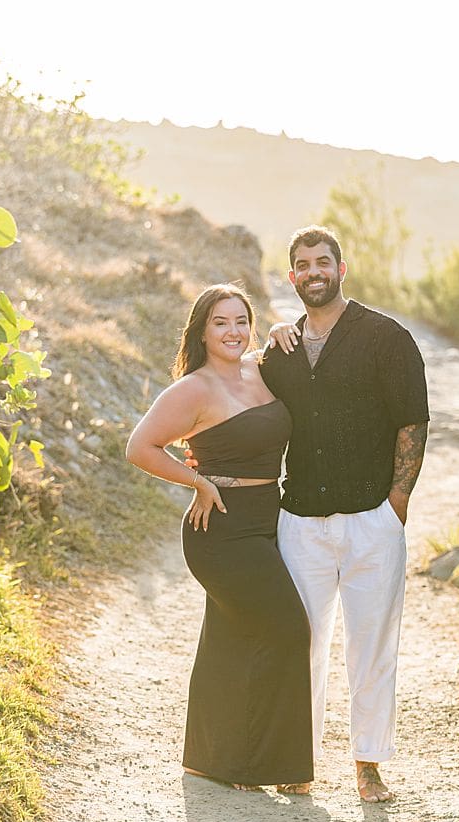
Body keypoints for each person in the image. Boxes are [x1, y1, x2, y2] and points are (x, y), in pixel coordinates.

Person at [261, 225, 429, 802]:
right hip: (300, 521)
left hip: (371, 520)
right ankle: (298, 760)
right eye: (303, 264)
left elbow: (412, 421)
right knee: (300, 644)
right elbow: (244, 396)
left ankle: (368, 766)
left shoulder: (386, 337)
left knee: (372, 646)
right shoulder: (281, 352)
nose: (314, 272)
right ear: (292, 276)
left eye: (323, 262)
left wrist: (396, 505)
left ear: (341, 268)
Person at [126, 283, 313, 793]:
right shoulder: (193, 389)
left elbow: (286, 347)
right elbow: (140, 447)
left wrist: (281, 329)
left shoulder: (259, 369)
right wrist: (197, 481)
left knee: (232, 637)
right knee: (288, 628)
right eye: (220, 322)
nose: (233, 332)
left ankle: (211, 760)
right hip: (221, 529)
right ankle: (274, 767)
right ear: (202, 333)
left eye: (240, 321)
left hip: (266, 521)